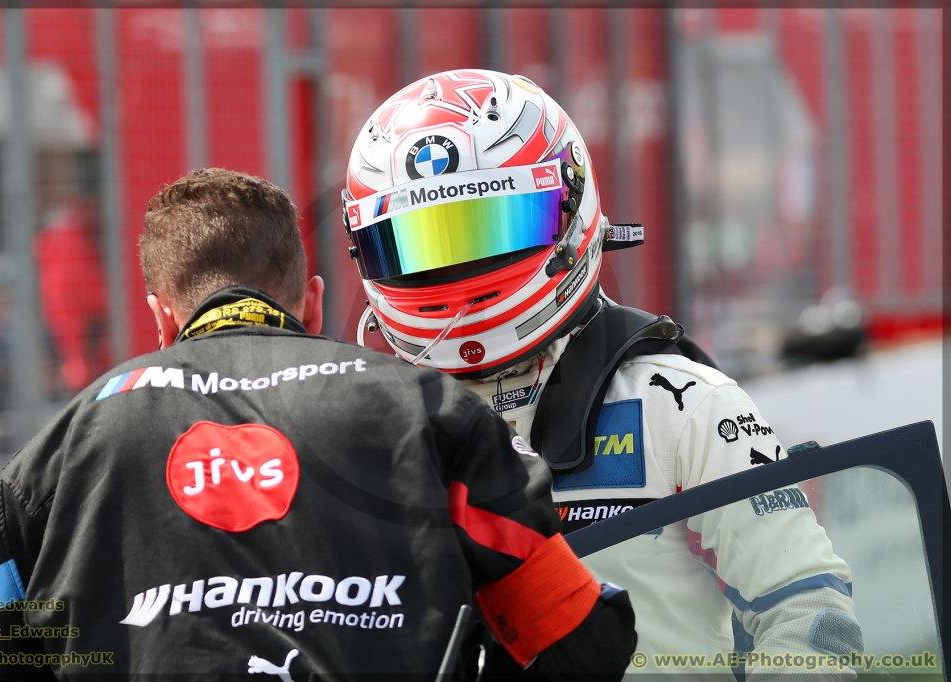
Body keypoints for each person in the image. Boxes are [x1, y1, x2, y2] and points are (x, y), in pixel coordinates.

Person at [0, 168, 636, 679]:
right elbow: (578, 642)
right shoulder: (425, 408)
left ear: (161, 317)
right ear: (315, 303)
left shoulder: (70, 442)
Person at [341, 70, 862, 679]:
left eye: (493, 227)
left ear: (570, 205)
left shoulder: (679, 401)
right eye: (421, 244)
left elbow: (807, 605)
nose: (464, 264)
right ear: (369, 253)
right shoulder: (362, 425)